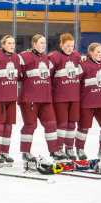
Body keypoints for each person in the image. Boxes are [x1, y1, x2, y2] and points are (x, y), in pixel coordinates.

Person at [19, 35, 64, 163]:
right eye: (41, 43)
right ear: (34, 44)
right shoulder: (24, 56)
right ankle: (26, 152)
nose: (44, 45)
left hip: (45, 98)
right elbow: (17, 74)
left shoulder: (46, 58)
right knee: (30, 125)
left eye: (45, 43)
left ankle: (54, 151)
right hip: (29, 99)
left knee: (51, 124)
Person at [0, 35, 22, 167]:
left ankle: (4, 152)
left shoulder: (17, 58)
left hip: (11, 97)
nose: (12, 45)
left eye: (13, 43)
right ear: (2, 44)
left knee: (8, 127)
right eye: (9, 43)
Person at [48, 33, 83, 160]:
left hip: (74, 96)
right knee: (62, 124)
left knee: (72, 124)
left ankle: (69, 148)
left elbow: (80, 74)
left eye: (72, 46)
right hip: (59, 97)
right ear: (61, 44)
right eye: (67, 46)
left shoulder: (76, 56)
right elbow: (48, 77)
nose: (70, 48)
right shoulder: (54, 57)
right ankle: (59, 149)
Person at [77, 43, 101, 159]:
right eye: (97, 52)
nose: (100, 54)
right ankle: (80, 149)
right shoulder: (83, 65)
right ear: (91, 53)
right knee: (83, 127)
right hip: (86, 102)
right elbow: (75, 83)